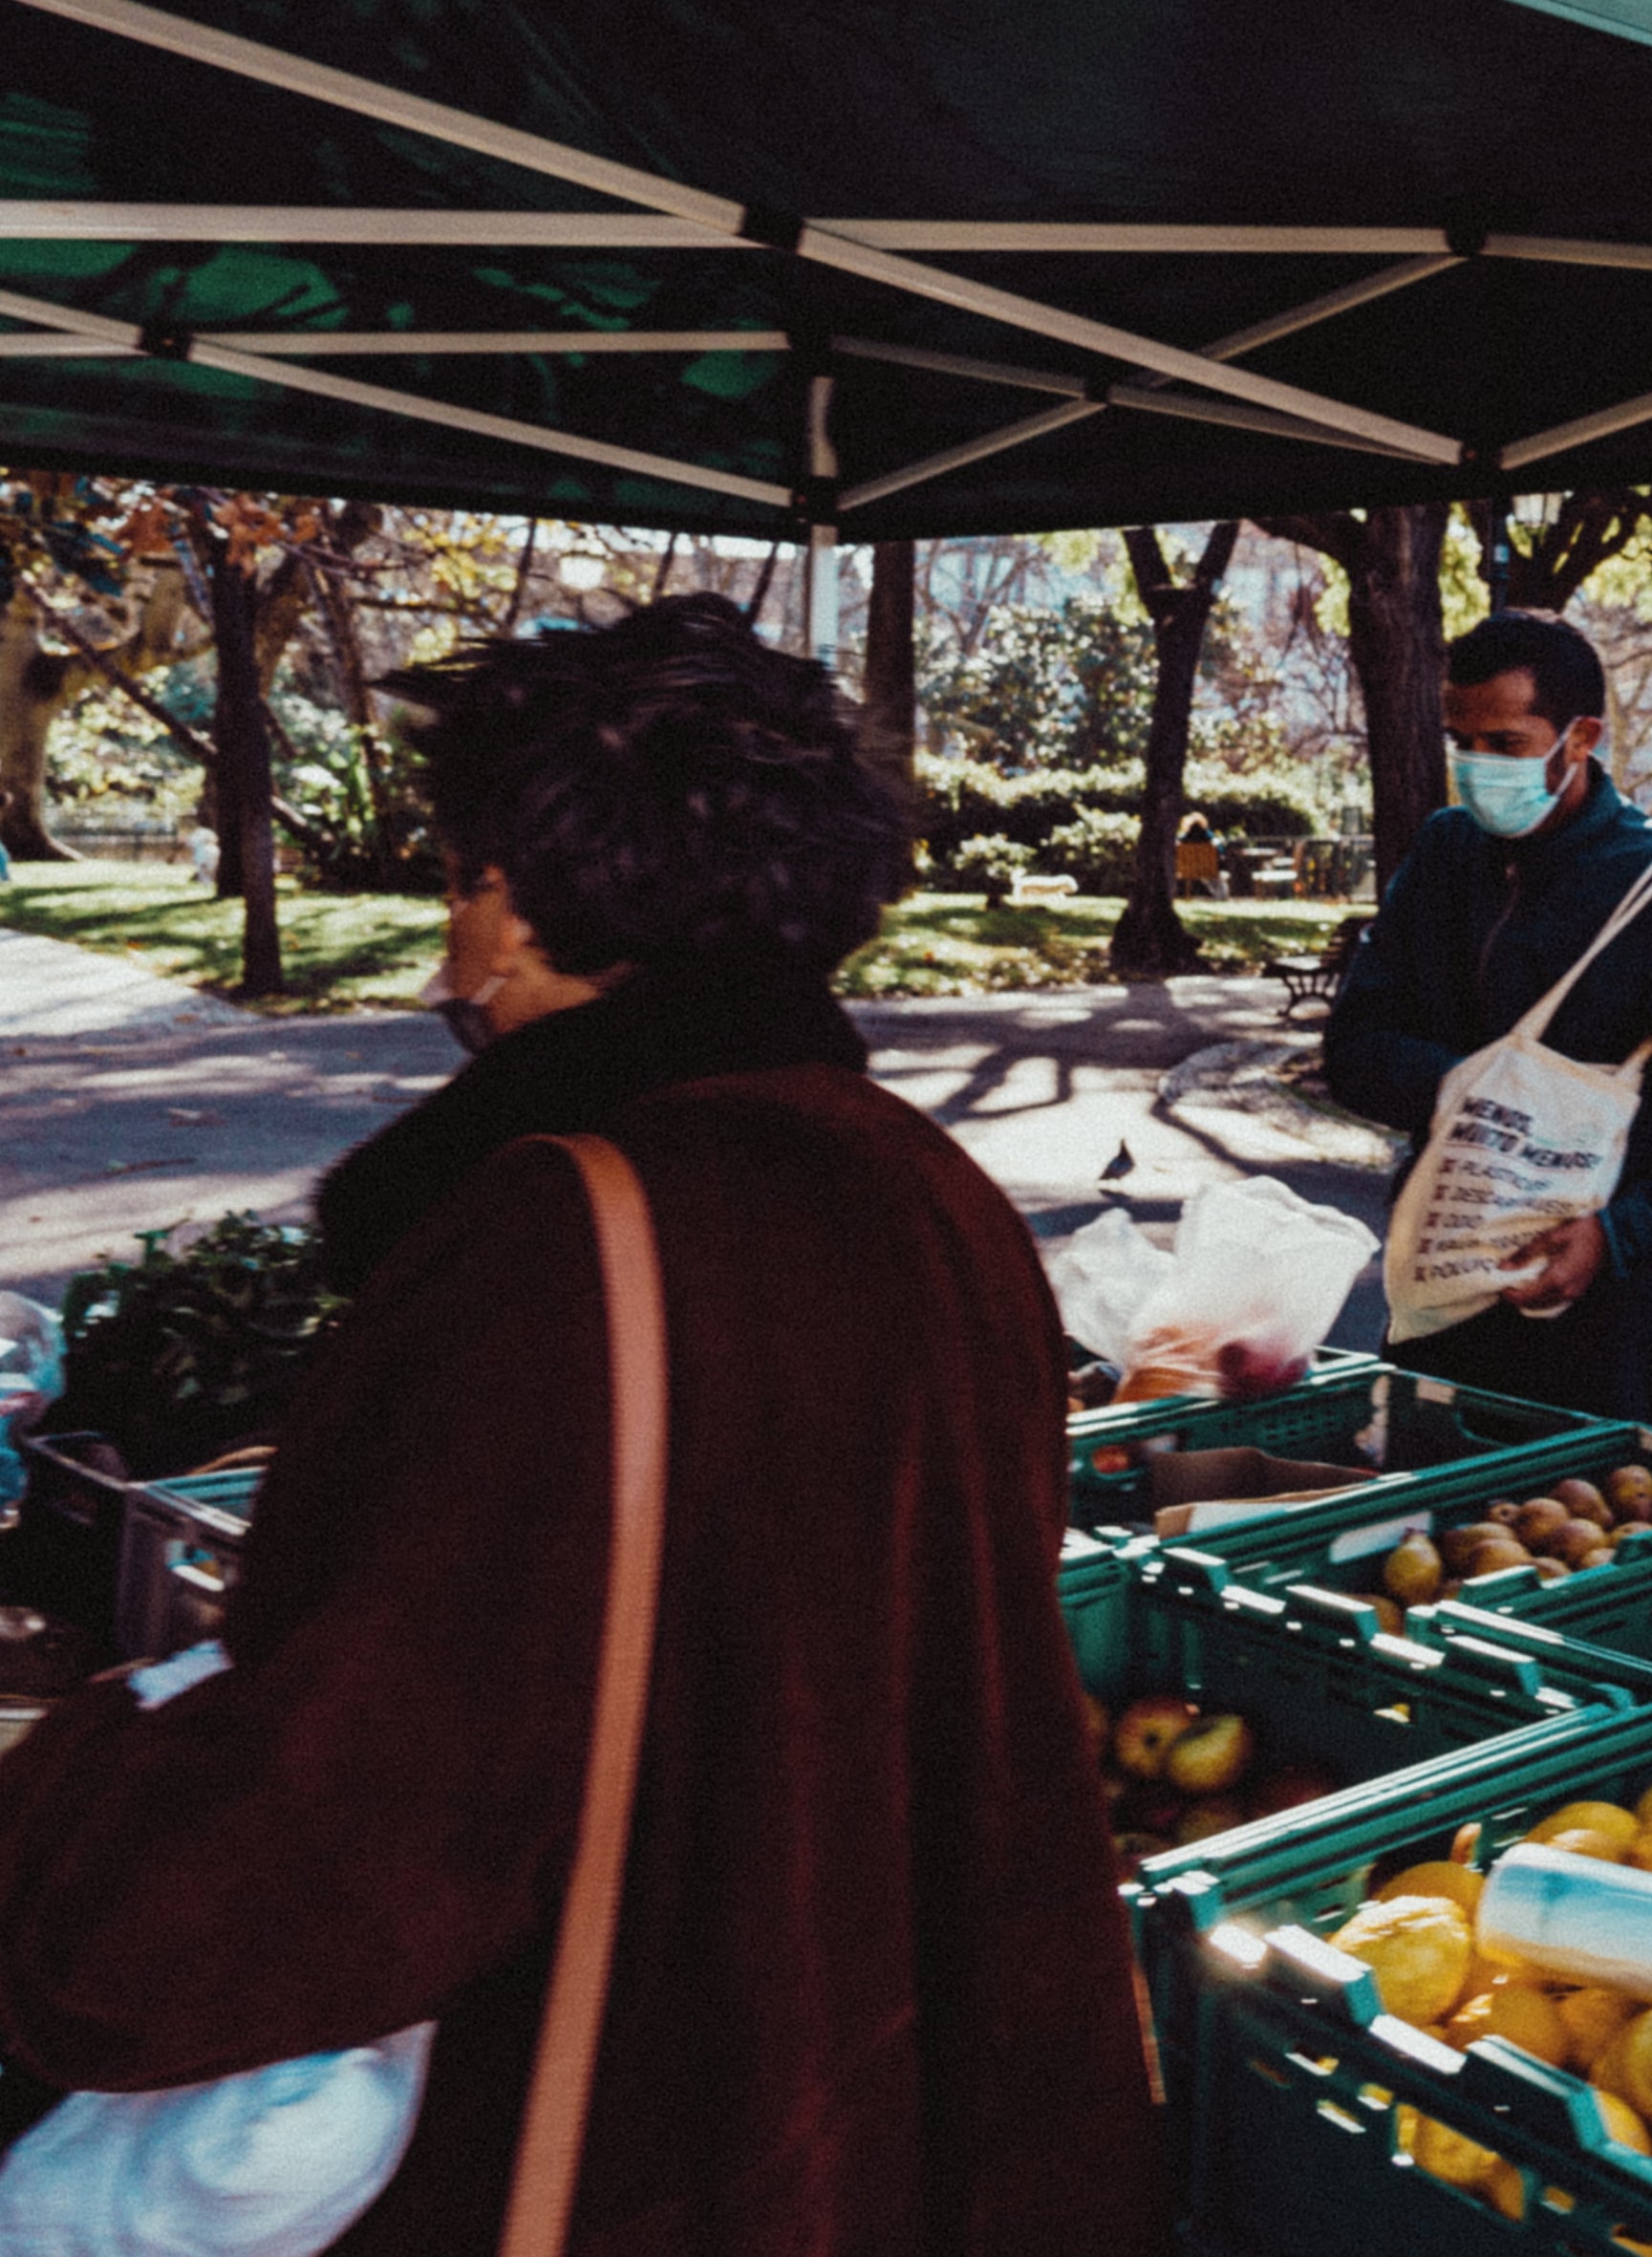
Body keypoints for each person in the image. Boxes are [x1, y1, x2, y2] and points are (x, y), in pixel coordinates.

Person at [0, 596, 1164, 2252]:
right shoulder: (933, 1193)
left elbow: (353, 1834)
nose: (447, 960)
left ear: (562, 902)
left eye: (466, 882)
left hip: (629, 2135)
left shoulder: (561, 1240)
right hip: (884, 2110)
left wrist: (75, 1826)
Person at [1327, 610, 1652, 1420]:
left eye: (1504, 744)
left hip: (1583, 1324)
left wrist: (1616, 1237)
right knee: (1415, 1527)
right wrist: (1475, 1099)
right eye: (1459, 741)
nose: (1476, 767)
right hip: (1434, 1296)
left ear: (1580, 738)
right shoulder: (1444, 853)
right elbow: (1351, 1049)